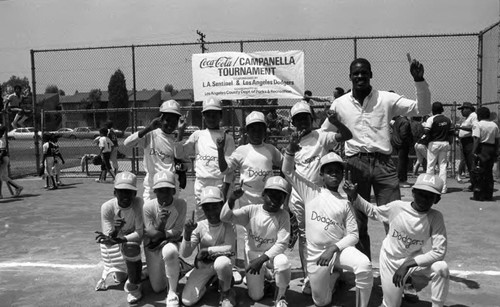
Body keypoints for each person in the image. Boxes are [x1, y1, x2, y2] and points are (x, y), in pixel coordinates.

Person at [321, 57, 431, 259]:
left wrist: (419, 80)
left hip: (384, 164)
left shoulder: (386, 99)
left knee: (395, 218)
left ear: (371, 75)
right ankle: (363, 268)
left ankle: (398, 269)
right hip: (355, 164)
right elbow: (324, 135)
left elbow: (422, 110)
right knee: (357, 220)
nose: (360, 76)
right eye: (356, 73)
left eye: (364, 72)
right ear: (350, 77)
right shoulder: (340, 104)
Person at [282, 137, 373, 307]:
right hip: (316, 254)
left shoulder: (345, 201)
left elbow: (353, 235)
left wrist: (333, 248)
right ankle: (334, 278)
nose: (334, 173)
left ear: (341, 175)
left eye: (337, 171)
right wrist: (290, 151)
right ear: (321, 175)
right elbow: (287, 171)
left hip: (337, 252)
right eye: (329, 170)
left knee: (364, 265)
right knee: (321, 302)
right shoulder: (310, 191)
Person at [344, 173, 449, 307]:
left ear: (437, 199)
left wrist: (407, 265)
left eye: (430, 196)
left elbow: (439, 252)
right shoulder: (397, 207)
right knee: (392, 305)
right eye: (421, 193)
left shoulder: (435, 217)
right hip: (391, 260)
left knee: (441, 268)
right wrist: (354, 195)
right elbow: (373, 211)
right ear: (413, 192)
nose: (424, 199)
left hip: (412, 260)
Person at [285, 100, 352, 295]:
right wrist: (287, 202)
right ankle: (309, 274)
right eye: (298, 119)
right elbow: (288, 174)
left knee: (328, 233)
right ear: (293, 122)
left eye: (306, 118)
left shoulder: (322, 137)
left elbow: (347, 135)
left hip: (321, 197)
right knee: (305, 237)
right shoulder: (292, 142)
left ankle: (333, 271)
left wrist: (336, 122)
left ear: (312, 119)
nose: (302, 122)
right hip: (299, 198)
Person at [220, 176, 292, 307]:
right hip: (253, 255)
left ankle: (280, 296)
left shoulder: (283, 215)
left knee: (283, 262)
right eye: (272, 195)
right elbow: (225, 217)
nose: (275, 200)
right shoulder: (251, 210)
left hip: (271, 256)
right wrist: (232, 199)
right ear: (263, 194)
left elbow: (282, 243)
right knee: (256, 296)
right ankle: (267, 280)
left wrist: (262, 260)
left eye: (280, 196)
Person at [176, 97, 236, 221]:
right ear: (203, 116)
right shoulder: (198, 135)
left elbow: (229, 169)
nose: (211, 118)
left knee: (223, 219)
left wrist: (225, 190)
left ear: (220, 116)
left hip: (219, 183)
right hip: (201, 183)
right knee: (202, 219)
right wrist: (180, 132)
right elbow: (179, 154)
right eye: (208, 114)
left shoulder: (227, 138)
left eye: (215, 114)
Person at [180, 186, 237, 307]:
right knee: (187, 301)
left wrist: (207, 250)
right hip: (205, 265)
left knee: (222, 262)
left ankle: (226, 292)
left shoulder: (229, 224)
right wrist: (187, 233)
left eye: (215, 207)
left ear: (222, 205)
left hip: (223, 264)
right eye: (207, 208)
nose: (211, 212)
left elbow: (230, 248)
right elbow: (185, 254)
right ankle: (213, 280)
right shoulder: (200, 226)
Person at [94, 171, 145, 304]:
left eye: (129, 191)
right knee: (121, 278)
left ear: (135, 194)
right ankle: (139, 271)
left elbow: (140, 233)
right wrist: (116, 231)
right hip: (116, 245)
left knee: (131, 246)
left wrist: (122, 239)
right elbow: (109, 241)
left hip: (130, 243)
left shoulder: (139, 203)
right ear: (114, 192)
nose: (125, 195)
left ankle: (135, 286)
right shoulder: (107, 207)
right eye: (121, 191)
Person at [217, 111, 283, 208]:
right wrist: (220, 150)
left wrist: (280, 182)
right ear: (247, 131)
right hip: (246, 201)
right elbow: (225, 170)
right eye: (253, 130)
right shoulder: (241, 151)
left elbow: (285, 166)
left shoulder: (271, 149)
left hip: (267, 201)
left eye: (260, 129)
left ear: (265, 131)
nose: (256, 133)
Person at [124, 100, 186, 201]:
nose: (170, 124)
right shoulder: (150, 135)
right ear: (161, 119)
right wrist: (148, 128)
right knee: (149, 213)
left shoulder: (177, 139)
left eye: (174, 121)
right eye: (167, 120)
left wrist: (181, 132)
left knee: (171, 214)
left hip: (171, 183)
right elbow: (127, 143)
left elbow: (181, 158)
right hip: (152, 183)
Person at [142, 170, 187, 307]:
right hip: (152, 247)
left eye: (168, 190)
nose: (164, 194)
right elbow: (152, 236)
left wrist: (162, 233)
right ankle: (156, 269)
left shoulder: (181, 204)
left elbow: (178, 232)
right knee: (157, 288)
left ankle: (172, 292)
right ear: (155, 191)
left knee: (170, 251)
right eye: (160, 190)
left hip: (169, 243)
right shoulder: (148, 206)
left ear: (174, 191)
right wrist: (162, 224)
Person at [423, 102, 454, 194]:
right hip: (445, 143)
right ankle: (443, 188)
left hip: (434, 143)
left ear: (432, 110)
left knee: (431, 165)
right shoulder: (448, 120)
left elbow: (426, 131)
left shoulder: (431, 119)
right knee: (443, 166)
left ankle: (429, 187)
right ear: (442, 110)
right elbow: (451, 133)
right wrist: (450, 142)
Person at [471, 107, 500, 201]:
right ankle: (488, 194)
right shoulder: (494, 125)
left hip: (481, 148)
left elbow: (477, 139)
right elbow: (497, 140)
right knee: (488, 172)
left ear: (479, 115)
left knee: (479, 172)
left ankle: (479, 195)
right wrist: (496, 151)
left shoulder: (478, 124)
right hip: (491, 148)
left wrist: (473, 152)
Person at [456, 102, 477, 190]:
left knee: (471, 163)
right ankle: (473, 184)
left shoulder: (473, 116)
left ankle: (475, 185)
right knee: (468, 163)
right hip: (465, 142)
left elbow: (474, 128)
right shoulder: (467, 118)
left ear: (469, 109)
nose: (462, 111)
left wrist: (460, 128)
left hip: (470, 142)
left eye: (463, 109)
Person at [0, 126, 23, 198]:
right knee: (3, 176)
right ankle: (17, 187)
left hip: (2, 159)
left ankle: (18, 187)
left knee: (1, 177)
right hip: (3, 158)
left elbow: (2, 152)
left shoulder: (1, 140)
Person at [391, 115, 413, 187]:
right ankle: (401, 180)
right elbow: (404, 134)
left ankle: (399, 179)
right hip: (402, 144)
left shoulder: (398, 120)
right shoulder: (405, 122)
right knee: (402, 162)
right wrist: (409, 141)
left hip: (396, 142)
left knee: (398, 161)